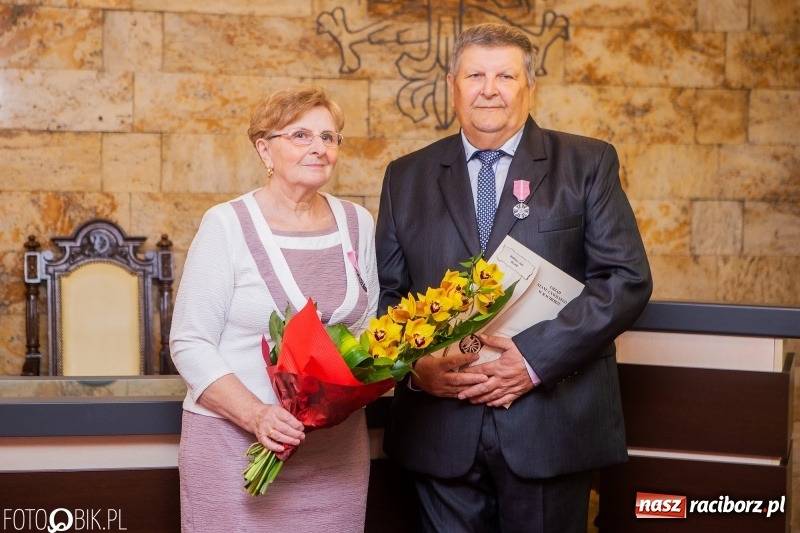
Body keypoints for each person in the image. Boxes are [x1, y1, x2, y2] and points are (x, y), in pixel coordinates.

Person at [376, 23, 653, 532]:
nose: (489, 88)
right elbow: (389, 296)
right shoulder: (405, 176)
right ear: (452, 85)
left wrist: (532, 360)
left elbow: (626, 279)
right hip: (440, 432)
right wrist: (416, 367)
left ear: (530, 87)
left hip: (549, 425)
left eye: (505, 75)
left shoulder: (587, 164)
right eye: (475, 75)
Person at [170, 86, 379, 532]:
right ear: (264, 149)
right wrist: (258, 415)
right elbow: (189, 342)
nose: (319, 148)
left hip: (335, 457)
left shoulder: (358, 223)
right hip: (237, 449)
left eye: (329, 137)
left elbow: (366, 331)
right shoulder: (225, 224)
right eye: (301, 135)